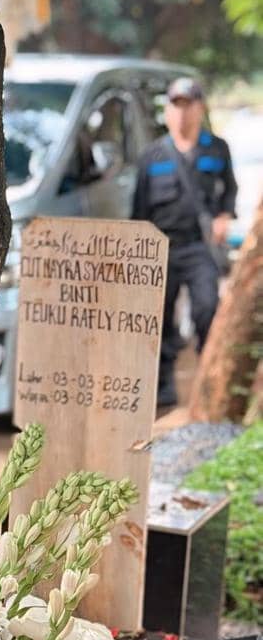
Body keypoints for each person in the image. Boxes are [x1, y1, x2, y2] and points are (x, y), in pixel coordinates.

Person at [132, 77, 237, 408]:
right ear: (167, 111)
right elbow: (139, 210)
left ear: (199, 108)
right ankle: (163, 384)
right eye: (174, 105)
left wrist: (224, 215)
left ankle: (209, 381)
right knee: (158, 318)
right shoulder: (152, 155)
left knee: (207, 307)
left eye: (187, 105)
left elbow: (230, 189)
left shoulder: (216, 148)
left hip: (198, 246)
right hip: (160, 247)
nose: (180, 113)